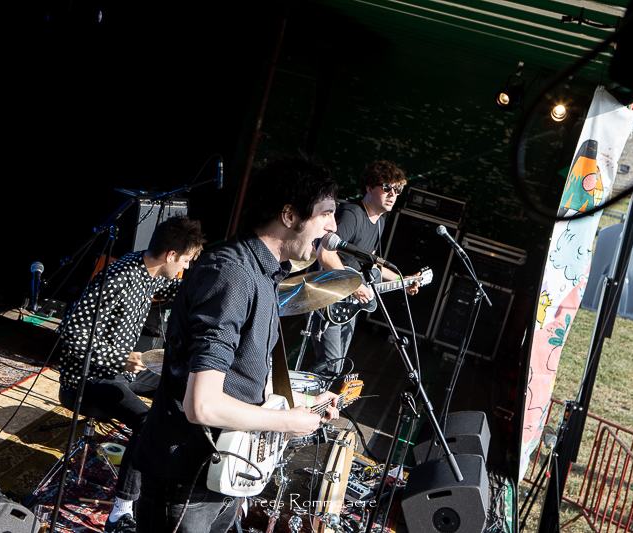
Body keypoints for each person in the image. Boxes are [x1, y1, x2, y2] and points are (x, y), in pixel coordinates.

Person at [132, 156, 341, 533]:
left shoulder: (263, 274)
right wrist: (287, 422)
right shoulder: (232, 274)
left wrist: (304, 403)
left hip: (220, 472)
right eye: (326, 213)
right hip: (186, 479)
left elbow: (243, 375)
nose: (333, 227)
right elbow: (202, 404)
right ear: (289, 215)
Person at [56, 216, 206, 533]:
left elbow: (174, 285)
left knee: (184, 386)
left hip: (122, 371)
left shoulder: (148, 269)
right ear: (171, 255)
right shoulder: (119, 278)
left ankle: (165, 476)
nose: (186, 267)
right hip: (89, 375)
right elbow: (69, 333)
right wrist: (119, 357)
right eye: (186, 261)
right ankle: (120, 513)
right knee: (147, 422)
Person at [309, 160, 420, 375]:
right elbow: (325, 252)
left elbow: (371, 262)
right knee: (331, 368)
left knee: (336, 367)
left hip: (348, 304)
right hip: (328, 297)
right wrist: (353, 285)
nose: (393, 194)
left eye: (397, 190)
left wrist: (402, 281)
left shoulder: (380, 222)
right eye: (386, 188)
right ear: (369, 189)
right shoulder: (352, 214)